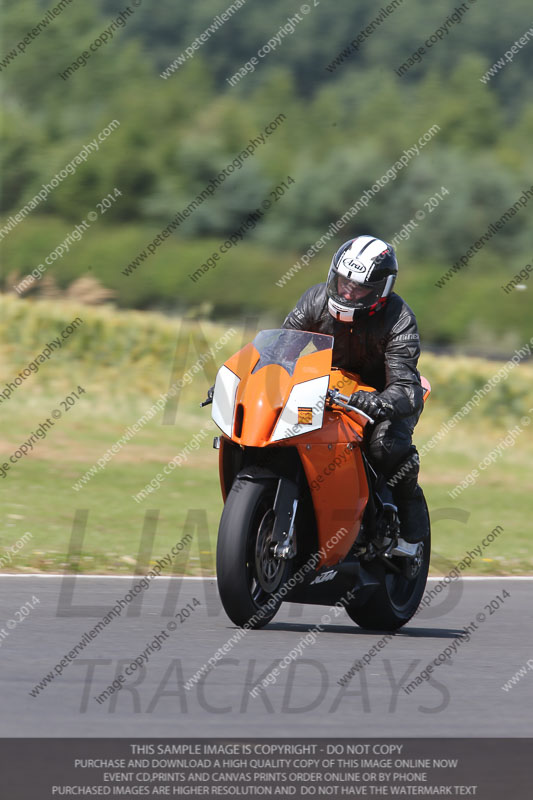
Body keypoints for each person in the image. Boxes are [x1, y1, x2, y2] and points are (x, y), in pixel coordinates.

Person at [281, 235, 427, 543]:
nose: (348, 291)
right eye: (343, 281)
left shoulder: (399, 318)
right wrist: (248, 380)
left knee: (385, 444)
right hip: (328, 390)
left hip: (380, 396)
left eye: (359, 287)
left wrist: (378, 402)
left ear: (380, 291)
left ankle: (408, 504)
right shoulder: (315, 300)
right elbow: (280, 351)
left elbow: (406, 387)